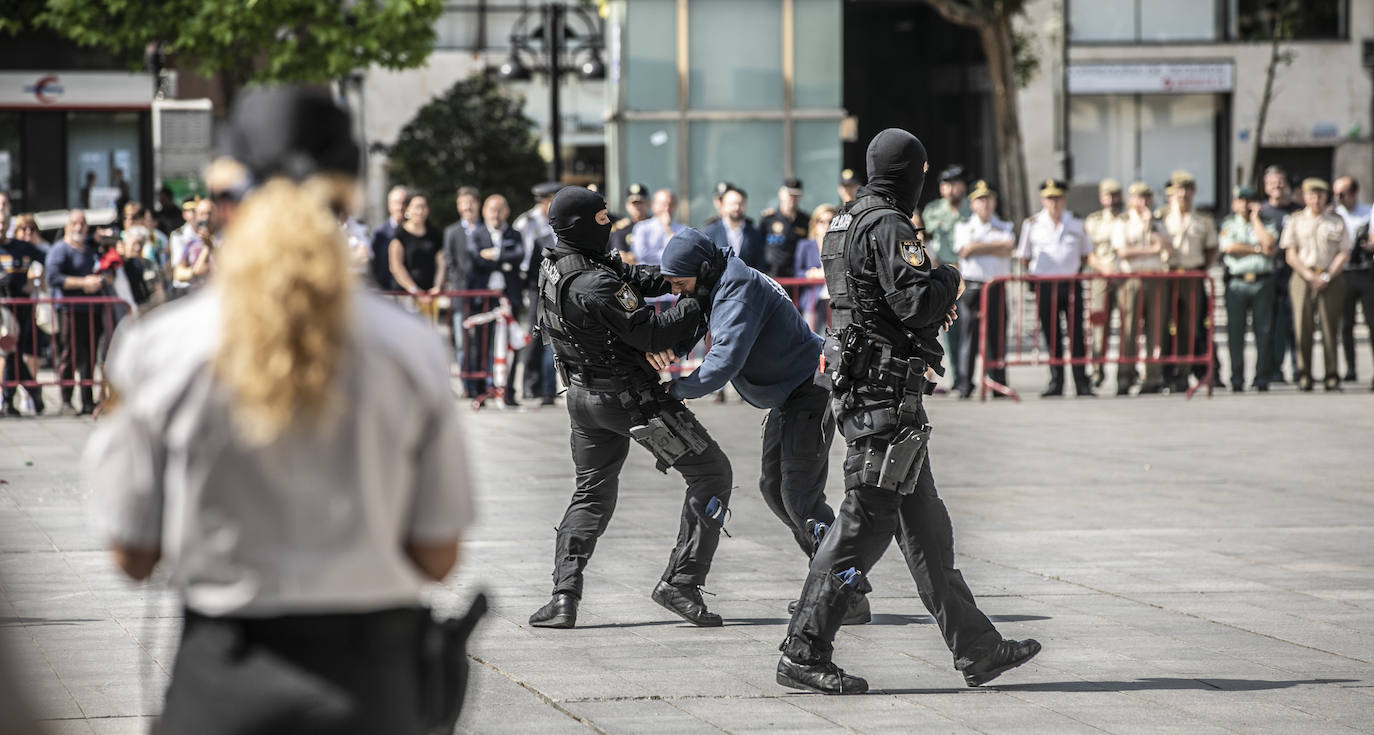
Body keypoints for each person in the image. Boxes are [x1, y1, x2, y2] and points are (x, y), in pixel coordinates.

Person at [87, 86, 474, 735]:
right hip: (370, 685)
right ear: (349, 198)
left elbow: (133, 553)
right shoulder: (411, 347)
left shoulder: (156, 346)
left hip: (223, 678)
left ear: (225, 198)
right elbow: (438, 553)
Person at [777, 128, 1040, 695]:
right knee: (863, 522)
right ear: (911, 175)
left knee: (926, 529)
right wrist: (948, 278)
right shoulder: (891, 224)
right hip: (882, 398)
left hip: (868, 390)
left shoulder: (843, 222)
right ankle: (803, 648)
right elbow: (916, 302)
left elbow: (871, 303)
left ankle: (978, 649)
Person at [528, 186, 732, 630]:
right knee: (712, 473)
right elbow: (654, 333)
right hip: (628, 399)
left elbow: (632, 277)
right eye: (603, 221)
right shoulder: (594, 284)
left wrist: (677, 274)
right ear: (583, 226)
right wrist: (698, 295)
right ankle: (681, 581)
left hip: (584, 401)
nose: (611, 227)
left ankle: (563, 596)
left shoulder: (559, 265)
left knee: (592, 491)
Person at [654, 227, 870, 625]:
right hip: (789, 394)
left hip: (809, 389)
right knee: (774, 489)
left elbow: (724, 362)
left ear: (702, 270)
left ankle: (845, 591)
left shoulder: (737, 288)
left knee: (799, 496)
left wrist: (675, 390)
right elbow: (694, 323)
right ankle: (834, 584)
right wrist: (666, 349)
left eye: (681, 284)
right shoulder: (716, 281)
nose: (678, 293)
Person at [1016, 178, 1094, 397]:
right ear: (1043, 200)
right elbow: (1024, 256)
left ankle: (1082, 382)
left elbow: (1086, 254)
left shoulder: (1076, 221)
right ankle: (1056, 381)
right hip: (1045, 285)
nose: (1054, 203)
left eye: (1058, 198)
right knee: (1052, 335)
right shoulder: (1032, 224)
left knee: (1076, 334)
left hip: (1070, 283)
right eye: (1050, 198)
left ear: (1064, 198)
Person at [1282, 178, 1352, 391]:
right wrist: (1308, 275)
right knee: (1303, 328)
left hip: (1330, 277)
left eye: (1320, 194)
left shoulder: (1336, 221)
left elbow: (1344, 251)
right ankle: (1305, 375)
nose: (1316, 198)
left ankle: (1332, 375)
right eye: (1312, 194)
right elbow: (1290, 252)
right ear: (1304, 197)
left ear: (1325, 197)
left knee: (1330, 328)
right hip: (1303, 277)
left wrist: (1328, 275)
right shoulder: (1296, 220)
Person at [952, 180, 1013, 397]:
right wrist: (990, 248)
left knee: (997, 335)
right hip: (973, 286)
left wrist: (978, 247)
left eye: (988, 199)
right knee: (968, 336)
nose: (985, 204)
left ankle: (998, 382)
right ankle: (965, 384)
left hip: (996, 285)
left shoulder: (1004, 226)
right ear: (973, 204)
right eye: (980, 200)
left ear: (994, 202)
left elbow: (1008, 247)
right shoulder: (963, 226)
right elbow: (964, 250)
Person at [1112, 182, 1173, 395]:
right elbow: (1123, 251)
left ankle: (1153, 376)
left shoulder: (1157, 222)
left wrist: (1151, 227)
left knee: (1156, 330)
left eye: (1147, 197)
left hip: (1155, 278)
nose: (1143, 202)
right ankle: (1125, 376)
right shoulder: (1123, 222)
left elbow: (1167, 248)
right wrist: (1151, 249)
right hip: (1132, 279)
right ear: (1131, 200)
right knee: (1128, 330)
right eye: (1139, 198)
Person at [1162, 170, 1220, 391]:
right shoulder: (1163, 216)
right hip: (1168, 274)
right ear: (1173, 192)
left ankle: (1183, 373)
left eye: (1187, 189)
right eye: (1179, 189)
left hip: (1192, 274)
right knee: (1164, 325)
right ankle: (1164, 372)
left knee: (1190, 326)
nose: (1183, 194)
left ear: (1194, 191)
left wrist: (1203, 267)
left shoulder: (1203, 219)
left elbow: (1212, 248)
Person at [1218, 185, 1278, 392]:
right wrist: (1256, 249)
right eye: (1240, 201)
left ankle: (1262, 376)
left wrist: (1255, 220)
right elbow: (1229, 247)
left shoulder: (1266, 223)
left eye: (1249, 201)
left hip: (1262, 282)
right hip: (1237, 281)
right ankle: (1236, 377)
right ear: (1234, 204)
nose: (1244, 205)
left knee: (1264, 331)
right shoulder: (1228, 223)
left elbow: (1270, 247)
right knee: (1235, 333)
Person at [467, 194, 525, 405]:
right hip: (485, 298)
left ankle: (508, 391)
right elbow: (475, 259)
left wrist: (495, 255)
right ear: (484, 212)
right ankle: (480, 391)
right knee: (481, 344)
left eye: (500, 209)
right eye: (492, 209)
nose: (496, 214)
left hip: (509, 297)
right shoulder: (477, 234)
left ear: (507, 212)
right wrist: (503, 259)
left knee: (512, 344)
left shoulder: (515, 234)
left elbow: (518, 255)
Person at [45, 210, 104, 414]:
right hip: (69, 309)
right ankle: (66, 401)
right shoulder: (60, 249)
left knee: (89, 357)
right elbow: (53, 277)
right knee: (69, 354)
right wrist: (83, 283)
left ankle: (87, 401)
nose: (78, 227)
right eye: (74, 223)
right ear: (67, 226)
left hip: (91, 310)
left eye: (82, 223)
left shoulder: (90, 250)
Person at [923, 166, 971, 391]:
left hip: (968, 273)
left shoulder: (971, 209)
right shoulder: (933, 210)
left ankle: (965, 376)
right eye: (946, 185)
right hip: (943, 274)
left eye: (955, 184)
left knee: (968, 328)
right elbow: (927, 238)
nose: (951, 189)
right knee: (948, 327)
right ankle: (953, 376)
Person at [515, 182, 563, 404]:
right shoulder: (528, 222)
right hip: (535, 284)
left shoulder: (555, 221)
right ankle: (530, 383)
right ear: (545, 201)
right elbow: (523, 258)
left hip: (555, 284)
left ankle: (544, 387)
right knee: (536, 334)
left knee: (548, 334)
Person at [0, 206, 47, 415]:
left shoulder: (22, 247)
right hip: (2, 310)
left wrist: (36, 282)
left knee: (12, 352)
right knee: (9, 352)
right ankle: (30, 391)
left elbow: (48, 260)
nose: (0, 227)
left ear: (8, 225)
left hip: (21, 309)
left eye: (3, 223)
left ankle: (12, 399)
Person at [1261, 166, 1302, 384]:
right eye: (1272, 183)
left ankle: (1299, 369)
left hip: (1294, 276)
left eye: (1280, 182)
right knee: (1271, 327)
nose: (1277, 186)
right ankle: (1273, 371)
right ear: (1266, 187)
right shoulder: (1261, 213)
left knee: (1296, 326)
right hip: (1269, 276)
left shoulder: (1299, 211)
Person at [1083, 179, 1125, 388]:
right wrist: (1104, 269)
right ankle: (1097, 370)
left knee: (1128, 325)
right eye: (1107, 195)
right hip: (1101, 275)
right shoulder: (1093, 221)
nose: (1111, 200)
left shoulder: (1128, 219)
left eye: (1115, 195)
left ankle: (1126, 373)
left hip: (1125, 276)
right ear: (1101, 198)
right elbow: (1087, 253)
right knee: (1099, 324)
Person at [1332, 176, 1372, 384]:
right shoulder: (1334, 215)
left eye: (1342, 194)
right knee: (1345, 324)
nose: (1338, 198)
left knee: (1371, 323)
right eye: (1336, 194)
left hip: (1365, 272)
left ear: (1354, 193)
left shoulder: (1369, 211)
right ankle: (1350, 368)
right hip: (1343, 273)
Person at [444, 186, 480, 397]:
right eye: (463, 202)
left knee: (482, 342)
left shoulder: (484, 229)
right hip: (461, 295)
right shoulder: (452, 232)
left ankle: (482, 383)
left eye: (471, 202)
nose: (467, 206)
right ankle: (467, 385)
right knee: (463, 342)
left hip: (482, 294)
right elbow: (449, 262)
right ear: (458, 206)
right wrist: (461, 285)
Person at [388, 192, 445, 319]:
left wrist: (437, 287)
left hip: (430, 297)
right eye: (416, 207)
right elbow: (396, 266)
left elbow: (441, 263)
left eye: (423, 207)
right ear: (407, 209)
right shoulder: (400, 234)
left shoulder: (434, 234)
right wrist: (414, 290)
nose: (420, 211)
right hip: (406, 297)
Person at [702, 185, 764, 271]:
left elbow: (759, 263)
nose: (737, 208)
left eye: (740, 203)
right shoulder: (711, 231)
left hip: (747, 282)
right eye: (732, 204)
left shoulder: (753, 232)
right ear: (723, 205)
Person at [794, 205, 836, 332]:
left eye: (830, 221)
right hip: (813, 300)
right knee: (810, 338)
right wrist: (811, 274)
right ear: (815, 223)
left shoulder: (840, 246)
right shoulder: (805, 245)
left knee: (837, 341)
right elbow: (797, 272)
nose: (826, 225)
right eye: (821, 221)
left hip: (834, 300)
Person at [759, 177, 810, 279]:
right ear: (781, 193)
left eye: (796, 195)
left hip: (796, 277)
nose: (792, 198)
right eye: (790, 194)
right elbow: (759, 246)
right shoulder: (768, 220)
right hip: (772, 275)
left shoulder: (805, 220)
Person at [629, 189, 686, 266]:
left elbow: (682, 254)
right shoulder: (642, 227)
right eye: (663, 204)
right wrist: (670, 255)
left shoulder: (682, 229)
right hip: (647, 274)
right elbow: (641, 254)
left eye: (671, 204)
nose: (667, 208)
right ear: (654, 206)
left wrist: (668, 228)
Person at [371, 185, 409, 290]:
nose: (400, 207)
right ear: (389, 205)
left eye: (403, 203)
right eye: (396, 203)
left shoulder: (414, 231)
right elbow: (375, 264)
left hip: (410, 292)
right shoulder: (380, 233)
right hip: (387, 291)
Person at [610, 183, 651, 263]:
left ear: (648, 203)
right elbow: (620, 256)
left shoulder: (657, 226)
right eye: (634, 203)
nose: (637, 207)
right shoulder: (622, 229)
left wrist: (637, 257)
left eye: (640, 202)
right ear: (627, 206)